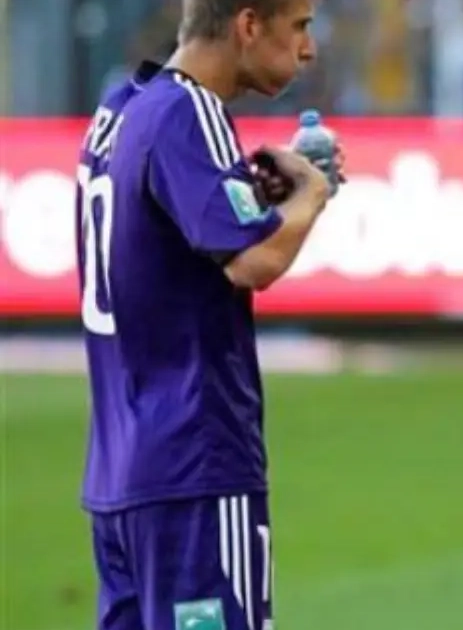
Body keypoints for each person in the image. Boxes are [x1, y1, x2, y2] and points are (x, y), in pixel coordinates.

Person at [75, 1, 336, 628]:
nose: (309, 49)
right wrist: (312, 195)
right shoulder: (192, 111)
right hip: (197, 466)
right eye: (300, 27)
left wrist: (251, 195)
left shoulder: (120, 109)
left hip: (120, 472)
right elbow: (254, 262)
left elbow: (161, 233)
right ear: (248, 25)